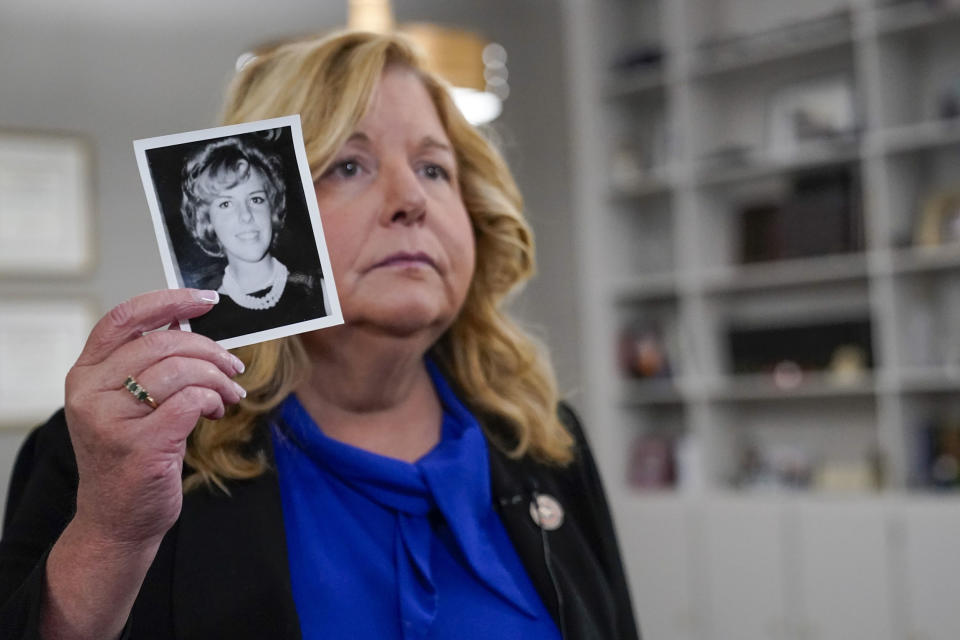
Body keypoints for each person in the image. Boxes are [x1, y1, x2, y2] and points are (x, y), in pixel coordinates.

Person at [0, 30, 639, 640]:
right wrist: (110, 536)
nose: (410, 199)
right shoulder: (119, 456)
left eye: (435, 169)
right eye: (349, 166)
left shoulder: (546, 442)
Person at [178, 135, 326, 341]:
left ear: (272, 208)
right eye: (226, 204)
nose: (246, 215)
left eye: (256, 199)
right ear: (207, 220)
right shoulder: (201, 321)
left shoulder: (320, 290)